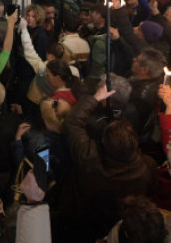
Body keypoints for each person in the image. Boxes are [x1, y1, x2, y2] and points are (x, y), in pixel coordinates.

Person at [65, 84, 157, 241]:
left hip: (88, 216)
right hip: (122, 220)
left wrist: (95, 98)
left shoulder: (89, 156)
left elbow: (73, 122)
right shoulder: (148, 166)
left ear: (104, 143)